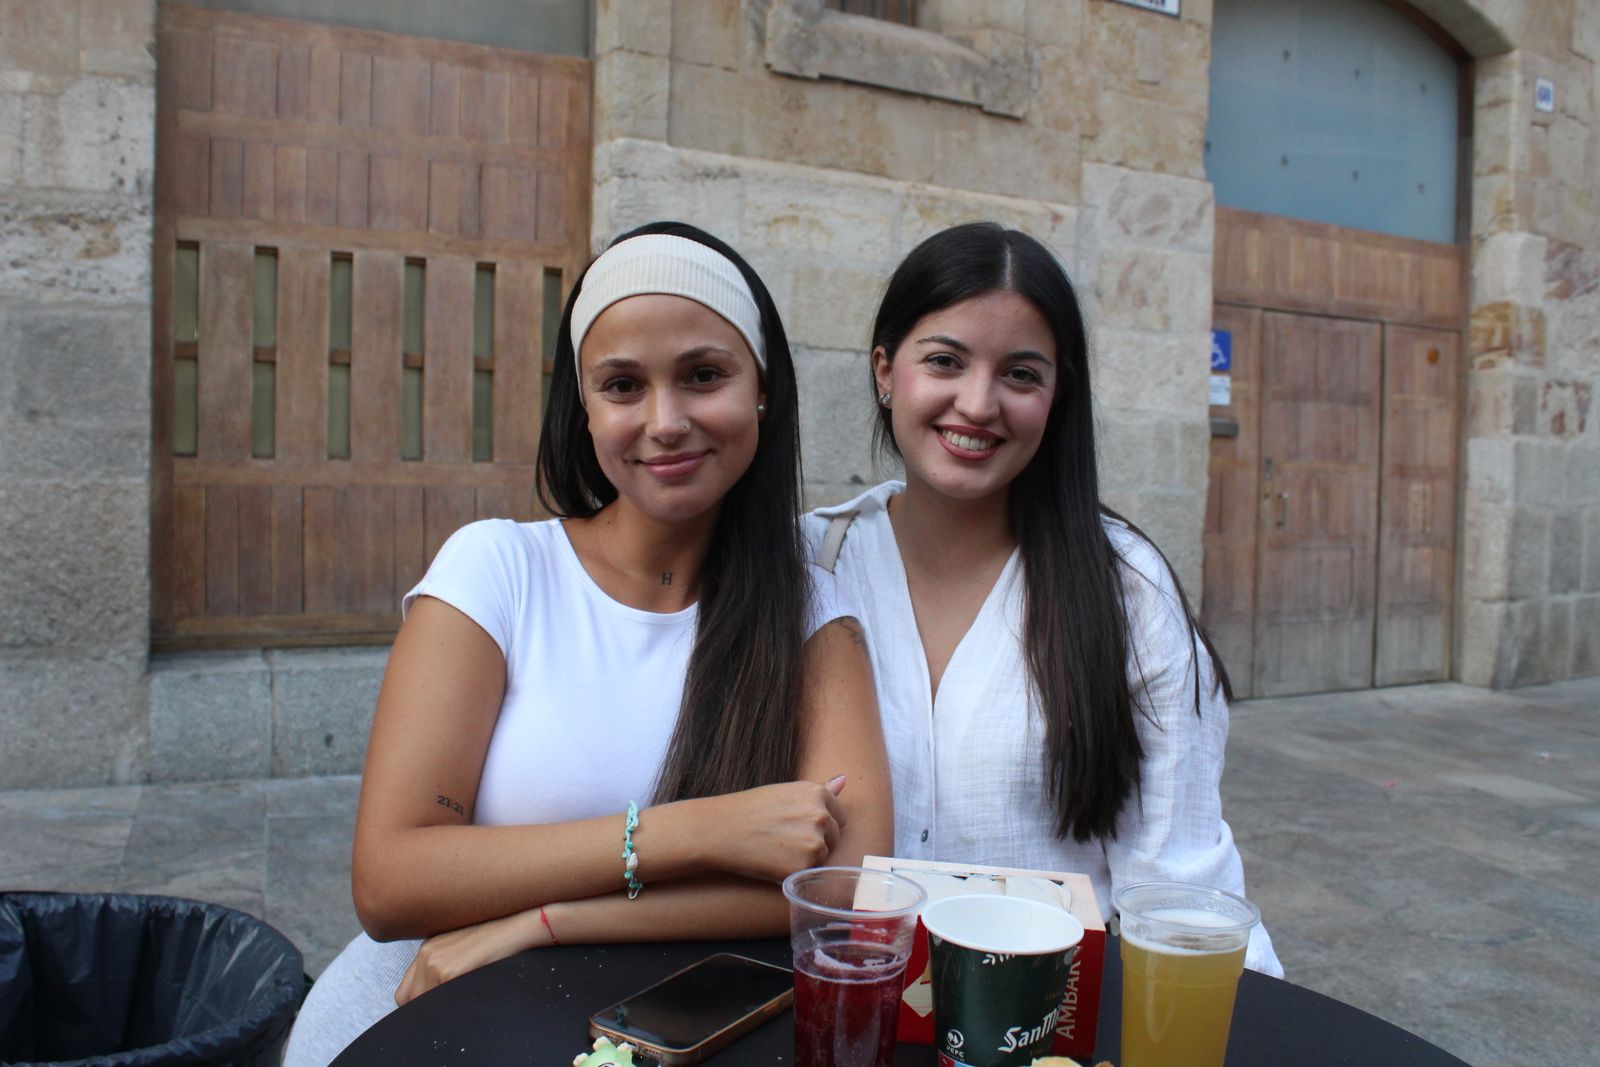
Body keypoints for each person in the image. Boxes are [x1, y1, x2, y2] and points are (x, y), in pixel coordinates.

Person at [284, 222, 892, 1064]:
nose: (666, 420)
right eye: (622, 385)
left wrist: (545, 921)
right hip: (425, 1018)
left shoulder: (812, 613)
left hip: (644, 1037)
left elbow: (845, 886)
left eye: (704, 375)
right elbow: (390, 883)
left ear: (763, 390)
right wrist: (697, 833)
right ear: (585, 406)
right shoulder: (497, 571)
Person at [805, 222, 1281, 975]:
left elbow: (1181, 890)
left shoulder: (1126, 590)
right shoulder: (813, 566)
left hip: (1049, 1032)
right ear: (885, 370)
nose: (978, 402)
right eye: (944, 361)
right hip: (850, 1023)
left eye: (1021, 374)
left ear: (1058, 396)